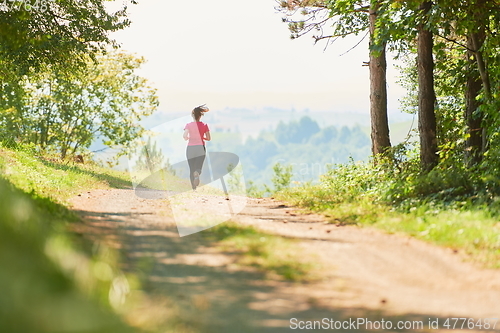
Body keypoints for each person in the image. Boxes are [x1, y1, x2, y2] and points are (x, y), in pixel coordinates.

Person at [183, 105, 211, 190]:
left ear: (193, 115)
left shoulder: (188, 125)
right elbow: (209, 138)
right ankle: (197, 172)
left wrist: (187, 138)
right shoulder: (204, 125)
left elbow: (184, 136)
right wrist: (202, 138)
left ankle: (193, 188)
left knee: (191, 168)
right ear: (200, 115)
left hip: (190, 148)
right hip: (200, 148)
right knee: (198, 167)